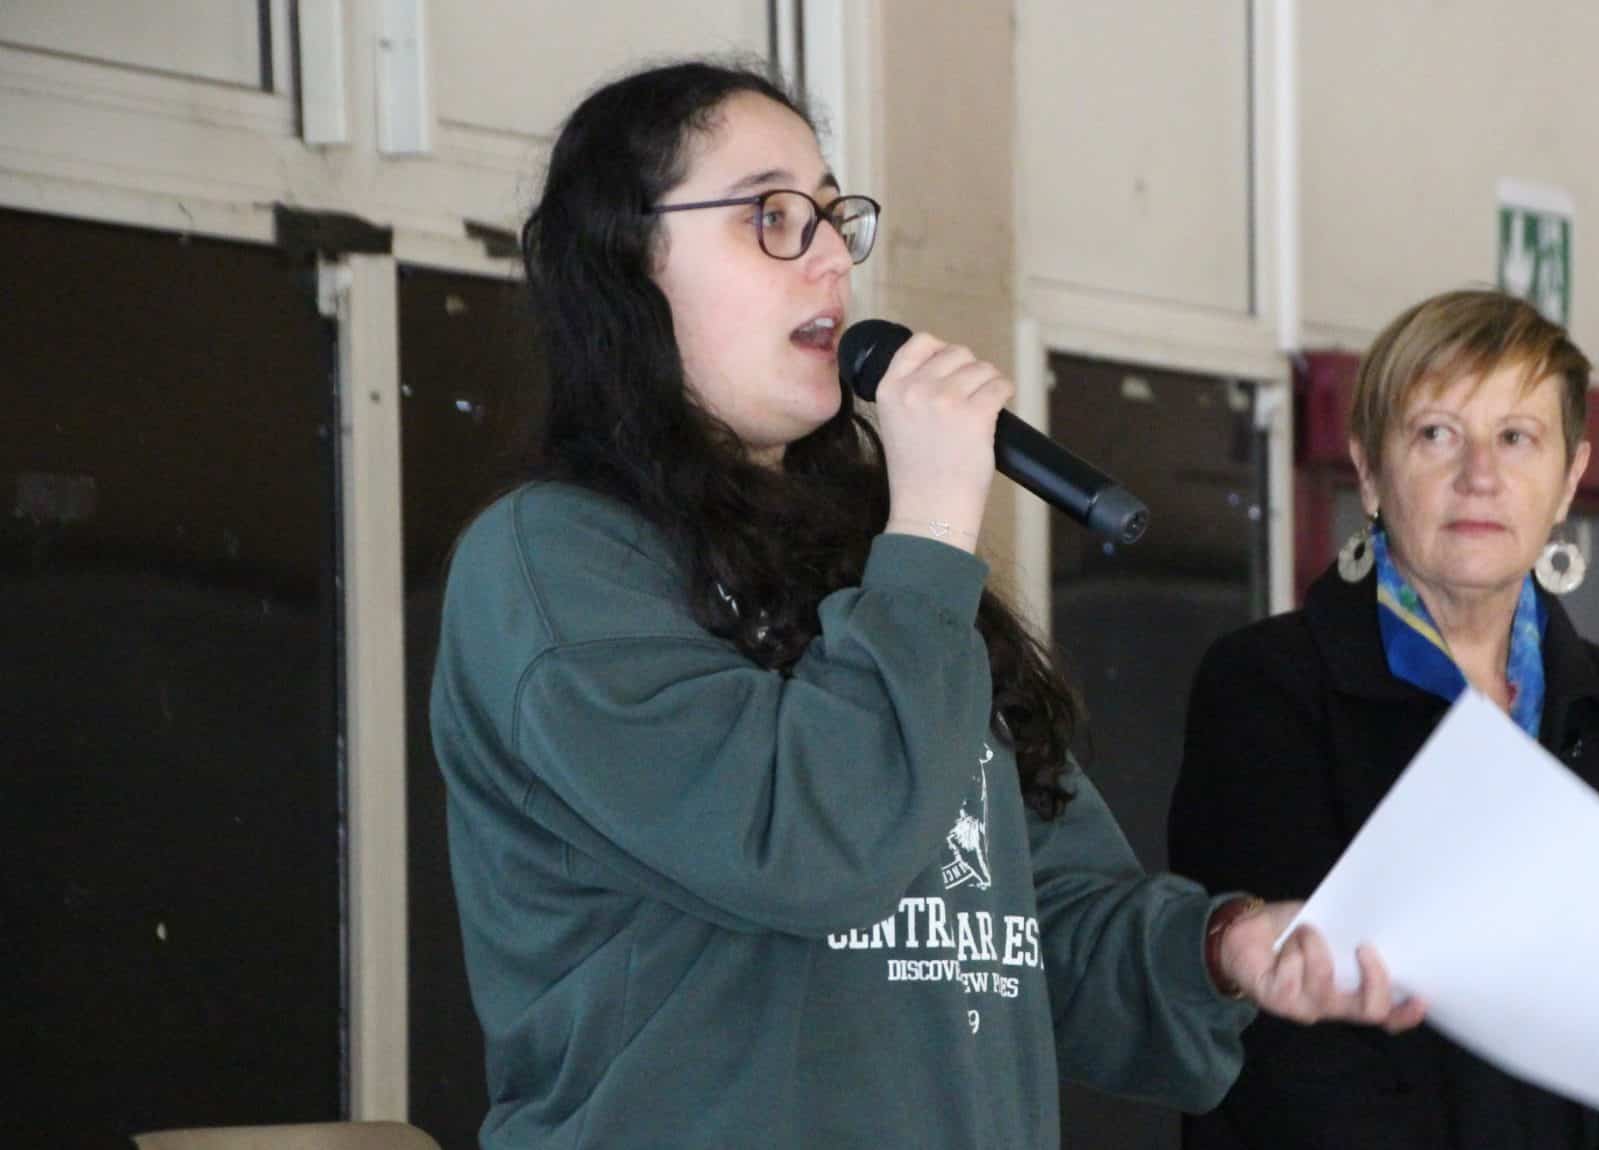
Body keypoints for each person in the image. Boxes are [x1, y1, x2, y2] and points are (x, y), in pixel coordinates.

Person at [429, 59, 1419, 1150]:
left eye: (830, 215)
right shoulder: (554, 563)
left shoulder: (881, 572)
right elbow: (808, 844)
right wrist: (933, 521)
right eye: (770, 215)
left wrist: (1227, 945)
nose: (826, 255)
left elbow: (1036, 922)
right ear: (625, 261)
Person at [1168, 289, 1599, 1149]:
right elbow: (1282, 1057)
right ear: (1370, 471)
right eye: (1436, 434)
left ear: (1569, 478)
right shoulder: (1267, 688)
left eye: (1517, 437)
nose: (1480, 475)